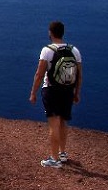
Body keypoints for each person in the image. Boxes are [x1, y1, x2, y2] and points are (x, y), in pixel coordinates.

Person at [29, 20, 82, 168]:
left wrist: (33, 92)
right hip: (68, 91)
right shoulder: (74, 50)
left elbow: (39, 74)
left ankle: (54, 159)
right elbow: (79, 75)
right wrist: (76, 93)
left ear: (50, 33)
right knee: (63, 122)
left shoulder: (47, 50)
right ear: (62, 33)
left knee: (54, 123)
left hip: (51, 90)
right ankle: (62, 154)